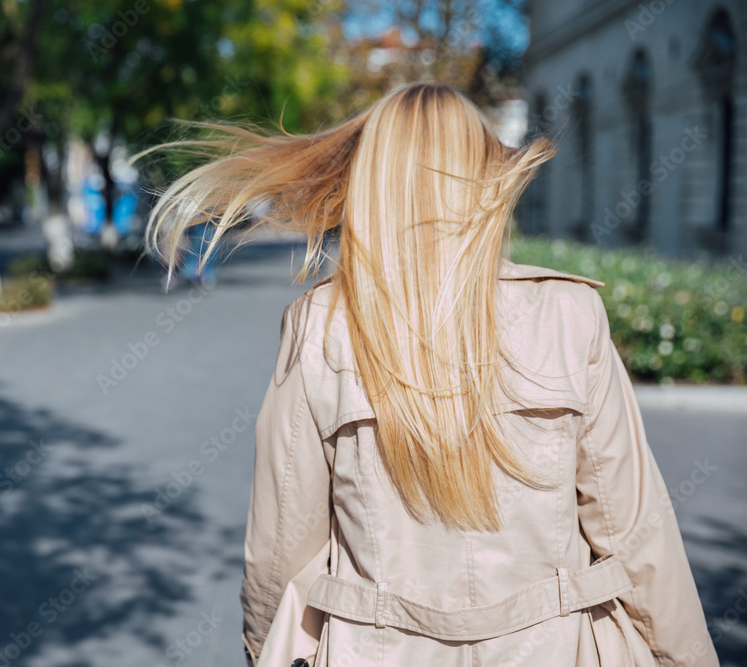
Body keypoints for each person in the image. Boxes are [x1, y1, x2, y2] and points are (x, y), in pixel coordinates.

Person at [136, 82, 718, 666]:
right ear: (485, 179)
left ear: (374, 182)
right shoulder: (569, 314)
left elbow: (281, 549)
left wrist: (265, 648)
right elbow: (637, 534)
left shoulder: (319, 326)